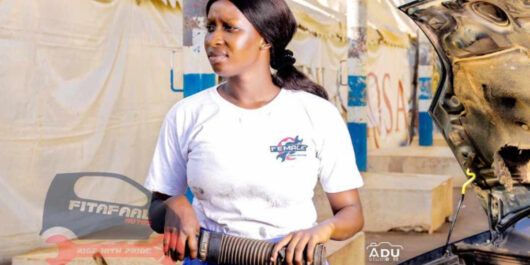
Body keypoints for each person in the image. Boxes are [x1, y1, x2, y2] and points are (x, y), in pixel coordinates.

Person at [144, 0, 364, 264]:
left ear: (265, 38)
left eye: (229, 28)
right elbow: (155, 209)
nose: (214, 39)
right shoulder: (187, 114)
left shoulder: (317, 114)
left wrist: (323, 229)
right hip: (210, 255)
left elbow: (351, 213)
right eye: (211, 27)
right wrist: (173, 206)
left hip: (290, 258)